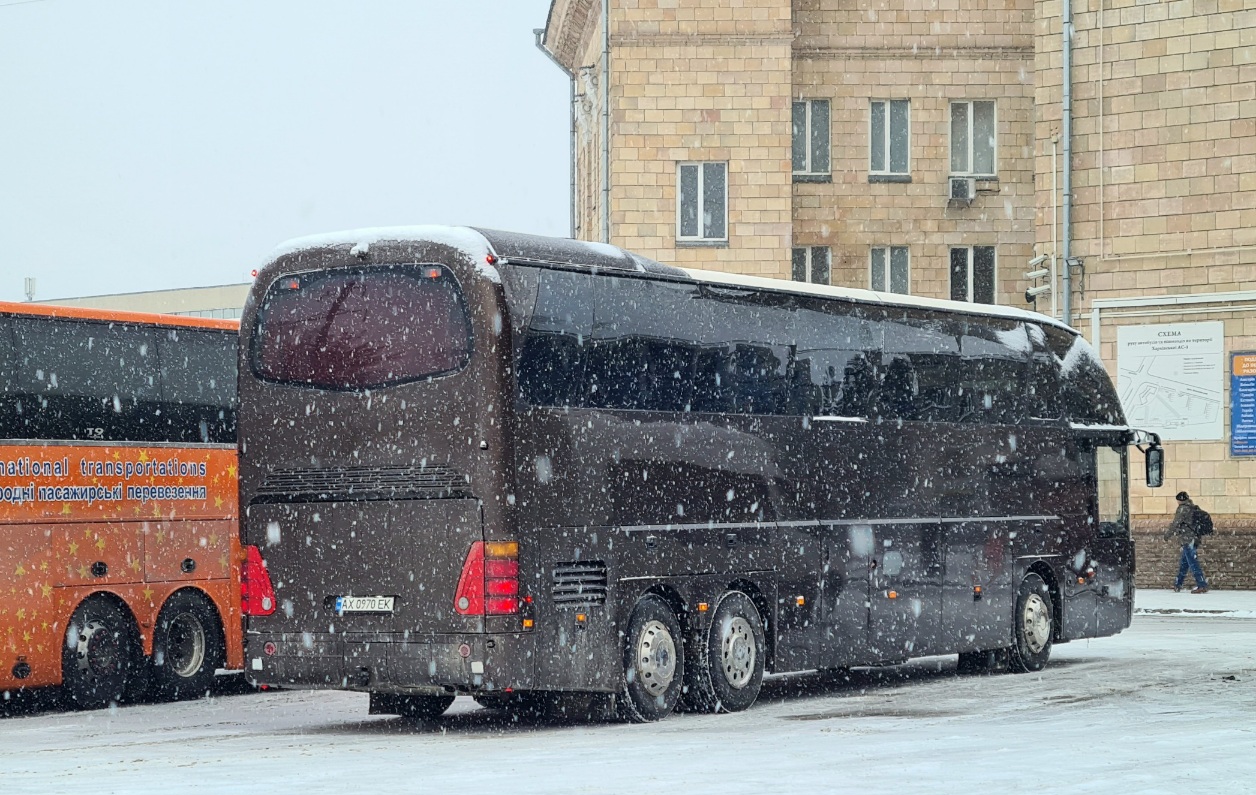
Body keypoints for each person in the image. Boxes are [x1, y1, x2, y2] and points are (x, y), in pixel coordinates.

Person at [1163, 491, 1209, 594]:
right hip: (1194, 538)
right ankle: (1178, 584)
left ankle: (1201, 584)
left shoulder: (1183, 509)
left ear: (1179, 500)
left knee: (1192, 562)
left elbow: (1175, 523)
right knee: (1185, 562)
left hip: (1187, 539)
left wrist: (1167, 535)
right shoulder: (1193, 507)